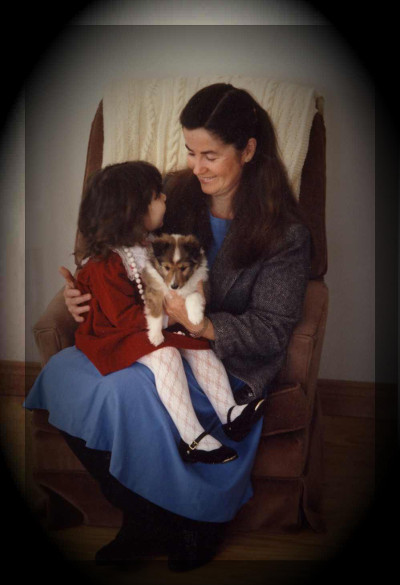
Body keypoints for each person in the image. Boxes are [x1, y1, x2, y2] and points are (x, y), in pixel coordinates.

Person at [25, 83, 311, 571]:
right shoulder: (174, 195)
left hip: (220, 359)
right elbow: (114, 250)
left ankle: (194, 518)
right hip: (151, 338)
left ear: (248, 150)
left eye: (210, 155)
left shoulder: (285, 234)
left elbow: (270, 330)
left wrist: (197, 327)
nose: (195, 167)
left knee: (127, 391)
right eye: (189, 152)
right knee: (62, 376)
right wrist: (84, 297)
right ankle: (148, 516)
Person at [63, 159, 265, 465]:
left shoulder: (147, 245)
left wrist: (184, 302)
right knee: (166, 354)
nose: (166, 198)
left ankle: (230, 412)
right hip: (113, 335)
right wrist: (171, 317)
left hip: (146, 323)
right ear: (135, 211)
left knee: (197, 343)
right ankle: (192, 437)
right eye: (158, 196)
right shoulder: (107, 263)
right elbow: (121, 319)